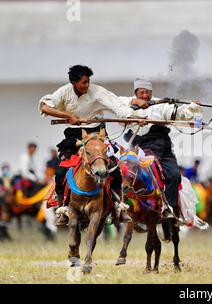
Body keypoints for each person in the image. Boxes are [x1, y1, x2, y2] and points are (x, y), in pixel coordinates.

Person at [38, 65, 146, 226]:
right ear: (74, 82)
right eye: (83, 82)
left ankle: (119, 207)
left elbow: (117, 107)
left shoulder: (97, 92)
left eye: (88, 82)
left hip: (97, 136)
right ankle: (62, 210)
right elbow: (45, 107)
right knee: (60, 172)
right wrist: (69, 116)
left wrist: (136, 117)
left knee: (114, 169)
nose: (87, 85)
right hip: (73, 136)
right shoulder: (64, 92)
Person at [121, 76, 203, 221]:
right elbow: (114, 107)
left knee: (175, 175)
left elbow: (181, 114)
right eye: (142, 93)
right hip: (139, 149)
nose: (145, 95)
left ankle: (170, 208)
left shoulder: (161, 104)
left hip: (163, 148)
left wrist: (192, 108)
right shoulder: (126, 104)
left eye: (148, 92)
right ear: (135, 93)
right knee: (120, 174)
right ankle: (120, 208)